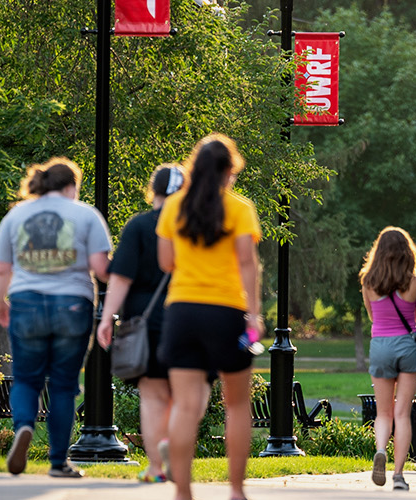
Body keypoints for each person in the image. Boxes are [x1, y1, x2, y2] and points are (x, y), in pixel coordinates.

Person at [156, 134, 263, 500]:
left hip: (182, 311)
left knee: (186, 405)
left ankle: (183, 492)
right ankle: (236, 489)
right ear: (229, 171)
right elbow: (248, 264)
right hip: (227, 312)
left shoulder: (173, 207)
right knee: (236, 404)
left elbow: (165, 263)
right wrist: (254, 314)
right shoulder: (240, 209)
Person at [0, 157, 113, 478]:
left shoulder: (16, 215)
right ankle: (58, 462)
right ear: (71, 186)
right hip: (72, 305)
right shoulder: (86, 214)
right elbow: (102, 270)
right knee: (63, 386)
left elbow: (3, 268)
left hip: (26, 301)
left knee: (27, 379)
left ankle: (23, 427)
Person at [94, 164, 184, 483]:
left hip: (147, 323)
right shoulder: (195, 227)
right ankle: (174, 449)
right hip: (188, 318)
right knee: (183, 396)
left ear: (154, 191)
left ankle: (156, 466)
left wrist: (107, 318)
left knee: (153, 395)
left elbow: (120, 277)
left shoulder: (139, 226)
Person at [359, 226, 416, 491]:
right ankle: (398, 476)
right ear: (407, 252)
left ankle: (380, 450)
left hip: (380, 346)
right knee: (403, 413)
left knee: (383, 412)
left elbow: (373, 318)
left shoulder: (368, 281)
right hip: (407, 346)